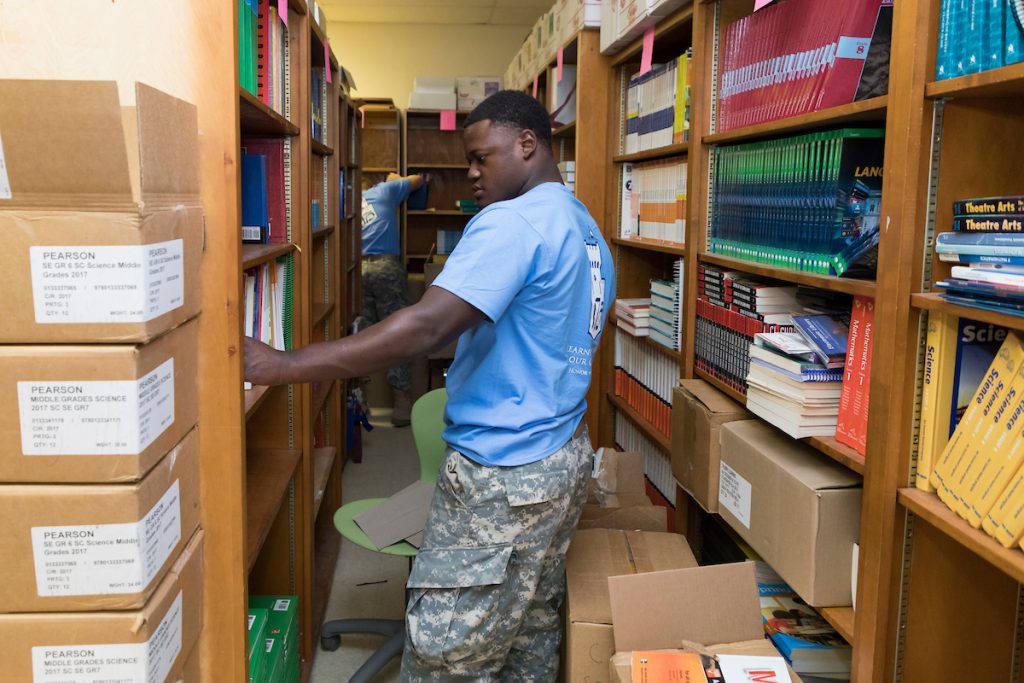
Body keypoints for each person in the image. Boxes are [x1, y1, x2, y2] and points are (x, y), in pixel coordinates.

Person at [244, 89, 614, 680]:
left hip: (503, 474)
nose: (470, 173)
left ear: (526, 144)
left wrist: (283, 366)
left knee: (446, 657)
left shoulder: (512, 222)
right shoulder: (583, 225)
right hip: (561, 458)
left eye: (480, 157)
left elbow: (425, 327)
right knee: (528, 631)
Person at [361, 171, 424, 426]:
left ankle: (361, 400)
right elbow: (417, 180)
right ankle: (401, 405)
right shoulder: (384, 191)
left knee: (361, 334)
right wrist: (395, 178)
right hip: (385, 266)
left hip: (356, 269)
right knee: (397, 332)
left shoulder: (343, 199)